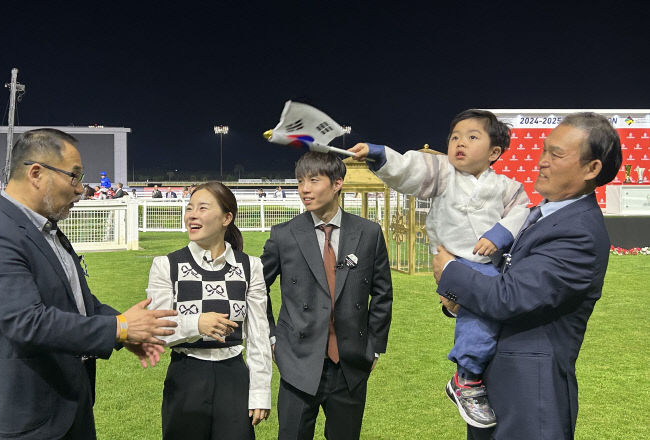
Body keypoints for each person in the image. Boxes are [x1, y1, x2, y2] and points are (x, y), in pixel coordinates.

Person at [0, 128, 178, 440]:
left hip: (69, 409)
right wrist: (119, 328)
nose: (80, 189)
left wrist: (125, 330)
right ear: (36, 173)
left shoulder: (45, 229)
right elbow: (27, 323)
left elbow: (79, 304)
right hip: (22, 422)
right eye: (74, 177)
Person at [432, 112, 623, 440]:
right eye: (544, 150)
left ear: (592, 169)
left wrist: (449, 269)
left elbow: (510, 297)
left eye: (556, 154)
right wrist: (457, 304)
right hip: (500, 394)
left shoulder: (579, 233)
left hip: (530, 399)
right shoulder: (542, 214)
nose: (541, 162)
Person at [350, 109, 530, 428]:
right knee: (483, 311)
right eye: (454, 137)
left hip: (490, 263)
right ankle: (468, 378)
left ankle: (475, 377)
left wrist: (498, 234)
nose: (459, 143)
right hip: (457, 262)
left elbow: (519, 213)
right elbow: (411, 168)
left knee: (492, 314)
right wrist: (378, 153)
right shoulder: (443, 173)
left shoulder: (507, 186)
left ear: (494, 152)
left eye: (472, 137)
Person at [262, 151, 393, 440]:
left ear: (337, 184)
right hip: (298, 362)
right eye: (299, 181)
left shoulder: (368, 233)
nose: (304, 189)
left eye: (313, 180)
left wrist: (374, 346)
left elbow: (382, 294)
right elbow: (257, 289)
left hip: (350, 365)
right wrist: (272, 337)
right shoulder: (284, 235)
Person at [146, 181, 272, 439]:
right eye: (190, 208)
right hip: (185, 377)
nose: (192, 215)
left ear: (227, 218)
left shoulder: (251, 267)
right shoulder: (166, 265)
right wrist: (196, 324)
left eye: (202, 208)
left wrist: (260, 392)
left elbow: (259, 336)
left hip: (234, 378)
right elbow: (156, 332)